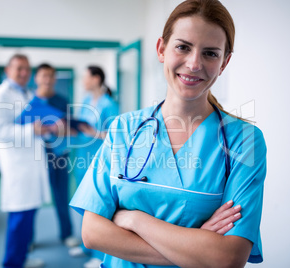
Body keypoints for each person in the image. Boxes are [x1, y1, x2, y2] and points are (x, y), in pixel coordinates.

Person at [69, 0, 267, 267]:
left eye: (210, 53)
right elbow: (92, 233)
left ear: (224, 62)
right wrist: (197, 247)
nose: (194, 63)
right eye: (183, 47)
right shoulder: (124, 129)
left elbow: (228, 258)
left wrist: (133, 220)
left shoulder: (243, 141)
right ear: (161, 49)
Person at [0, 54, 54, 268]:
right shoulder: (0, 95)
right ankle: (12, 263)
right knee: (19, 217)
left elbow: (34, 125)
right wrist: (29, 130)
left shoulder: (28, 93)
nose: (24, 73)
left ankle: (22, 258)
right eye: (19, 69)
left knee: (28, 215)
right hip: (17, 167)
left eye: (27, 69)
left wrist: (43, 129)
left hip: (31, 165)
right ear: (8, 70)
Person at [69, 66, 119, 268]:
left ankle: (99, 255)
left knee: (97, 208)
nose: (83, 81)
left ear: (96, 78)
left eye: (85, 77)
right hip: (82, 159)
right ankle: (85, 245)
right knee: (83, 204)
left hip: (100, 161)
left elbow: (115, 135)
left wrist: (94, 133)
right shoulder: (87, 101)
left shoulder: (109, 104)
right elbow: (82, 127)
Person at [33, 63, 80, 248]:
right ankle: (28, 239)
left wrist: (54, 129)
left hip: (59, 155)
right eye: (44, 75)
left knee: (61, 194)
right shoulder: (30, 101)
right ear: (36, 78)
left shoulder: (62, 101)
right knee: (33, 197)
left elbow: (69, 129)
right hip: (35, 157)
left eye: (51, 76)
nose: (47, 80)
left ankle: (66, 233)